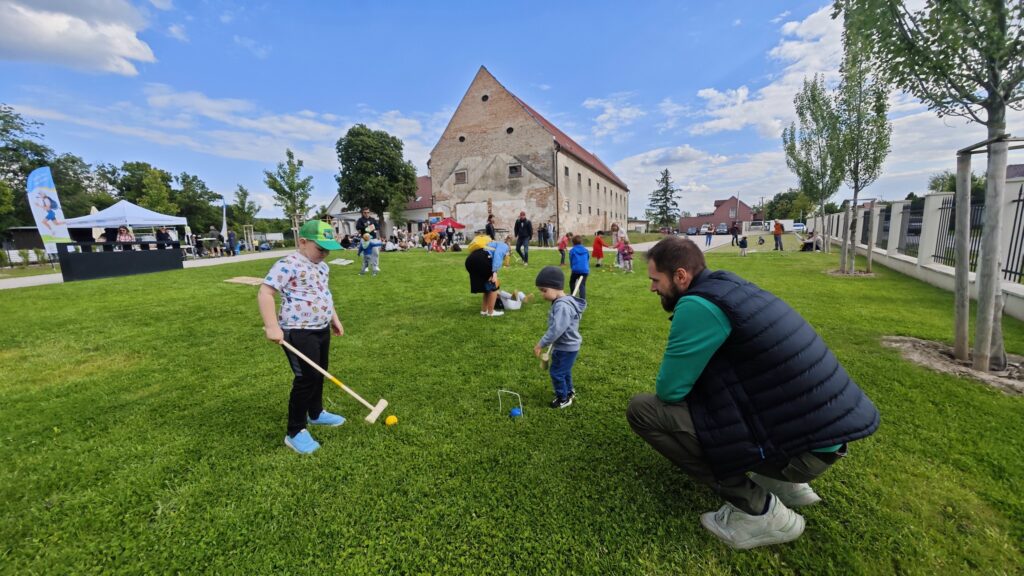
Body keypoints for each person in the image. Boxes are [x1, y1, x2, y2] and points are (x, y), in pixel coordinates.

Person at [626, 236, 880, 549]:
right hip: (823, 440)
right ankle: (785, 486)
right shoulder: (729, 285)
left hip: (802, 453)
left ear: (681, 276)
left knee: (643, 410)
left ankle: (760, 512)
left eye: (655, 280)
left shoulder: (697, 304)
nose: (652, 288)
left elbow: (670, 390)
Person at [257, 220, 346, 455]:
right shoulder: (288, 264)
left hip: (320, 328)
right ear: (302, 242)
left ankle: (315, 413)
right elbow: (265, 292)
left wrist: (333, 317)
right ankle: (295, 431)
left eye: (328, 250)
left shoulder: (323, 267)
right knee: (306, 378)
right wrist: (271, 327)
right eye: (320, 249)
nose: (325, 254)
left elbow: (323, 294)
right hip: (297, 331)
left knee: (319, 373)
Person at [533, 266, 587, 409]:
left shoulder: (562, 306)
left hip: (566, 347)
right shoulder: (563, 301)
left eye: (544, 291)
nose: (543, 295)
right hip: (567, 346)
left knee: (557, 372)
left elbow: (556, 329)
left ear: (555, 287)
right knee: (564, 371)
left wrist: (541, 344)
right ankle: (569, 391)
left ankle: (563, 398)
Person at [464, 235, 512, 317]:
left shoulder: (491, 244)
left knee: (487, 287)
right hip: (482, 259)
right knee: (494, 285)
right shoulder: (504, 246)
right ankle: (491, 312)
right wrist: (494, 273)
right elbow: (498, 255)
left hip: (470, 260)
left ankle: (484, 311)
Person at [569, 235, 590, 300]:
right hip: (585, 270)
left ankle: (573, 295)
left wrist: (572, 267)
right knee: (582, 284)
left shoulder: (572, 250)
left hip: (576, 269)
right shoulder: (586, 250)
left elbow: (571, 260)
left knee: (572, 282)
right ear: (581, 242)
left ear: (573, 242)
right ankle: (582, 299)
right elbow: (587, 259)